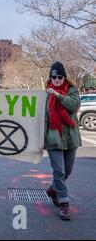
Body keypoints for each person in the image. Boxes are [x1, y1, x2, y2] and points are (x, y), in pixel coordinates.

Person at [44, 61, 81, 221]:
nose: (57, 80)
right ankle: (64, 205)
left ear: (64, 77)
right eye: (54, 77)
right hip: (53, 139)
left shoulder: (72, 91)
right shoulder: (44, 95)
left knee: (68, 171)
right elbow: (40, 118)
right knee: (59, 172)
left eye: (59, 77)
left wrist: (58, 95)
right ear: (50, 78)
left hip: (71, 138)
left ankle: (53, 190)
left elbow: (74, 106)